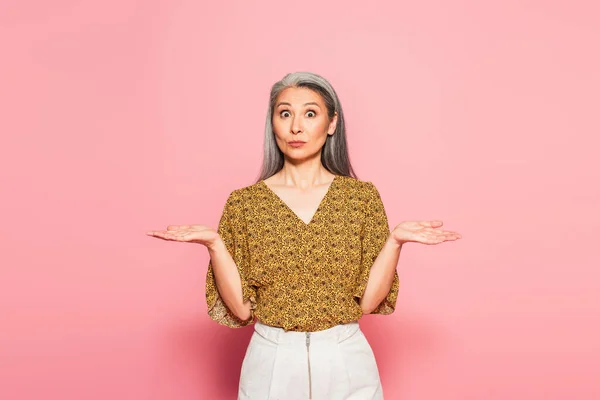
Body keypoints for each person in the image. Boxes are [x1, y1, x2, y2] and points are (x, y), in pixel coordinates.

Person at [146, 71, 462, 399]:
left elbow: (369, 302)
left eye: (310, 113)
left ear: (332, 123)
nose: (296, 126)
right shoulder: (244, 203)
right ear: (273, 123)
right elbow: (240, 311)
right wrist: (215, 244)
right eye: (285, 113)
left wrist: (394, 242)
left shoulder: (361, 198)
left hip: (345, 358)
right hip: (271, 360)